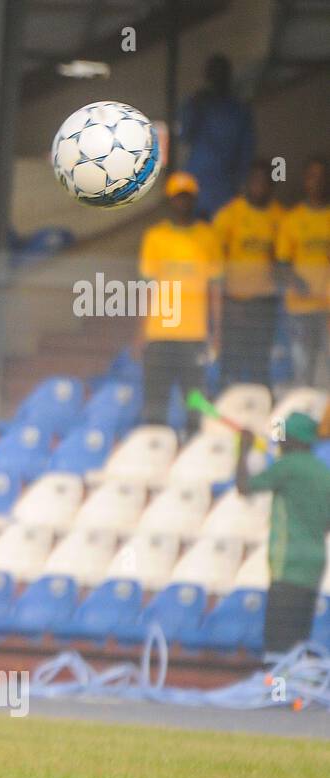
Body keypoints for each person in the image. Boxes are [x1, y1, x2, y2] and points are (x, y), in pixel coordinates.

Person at [237, 413, 330, 656]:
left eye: (283, 437)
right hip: (314, 565)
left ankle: (278, 694)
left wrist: (243, 448)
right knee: (298, 643)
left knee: (278, 646)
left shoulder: (288, 466)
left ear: (295, 440)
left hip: (288, 564)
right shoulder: (323, 472)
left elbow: (244, 486)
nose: (279, 442)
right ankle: (294, 692)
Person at [137, 171, 223, 436]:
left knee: (195, 404)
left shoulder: (208, 237)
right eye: (177, 198)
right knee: (155, 404)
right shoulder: (155, 237)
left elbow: (215, 288)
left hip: (193, 336)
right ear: (169, 201)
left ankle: (193, 454)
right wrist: (141, 331)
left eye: (187, 198)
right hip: (159, 334)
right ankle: (154, 457)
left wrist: (216, 332)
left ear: (194, 200)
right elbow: (147, 287)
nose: (182, 203)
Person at [212, 159, 284, 390]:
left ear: (272, 186)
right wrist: (225, 301)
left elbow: (282, 262)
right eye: (255, 181)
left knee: (259, 365)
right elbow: (216, 265)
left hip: (264, 304)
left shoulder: (280, 217)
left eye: (265, 182)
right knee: (230, 364)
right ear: (247, 183)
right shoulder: (229, 215)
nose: (259, 186)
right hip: (234, 303)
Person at [275, 156, 330, 388]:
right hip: (300, 309)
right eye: (311, 176)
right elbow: (281, 263)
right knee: (302, 370)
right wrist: (297, 282)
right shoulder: (292, 220)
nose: (316, 182)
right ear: (305, 181)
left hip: (328, 309)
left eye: (321, 177)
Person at [179, 54, 255, 218]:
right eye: (213, 75)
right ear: (207, 77)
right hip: (195, 184)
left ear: (228, 77)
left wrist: (242, 185)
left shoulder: (239, 110)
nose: (217, 80)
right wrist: (195, 107)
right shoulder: (195, 103)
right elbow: (184, 135)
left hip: (225, 188)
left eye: (221, 74)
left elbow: (247, 153)